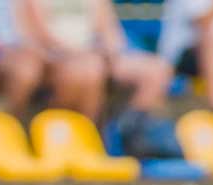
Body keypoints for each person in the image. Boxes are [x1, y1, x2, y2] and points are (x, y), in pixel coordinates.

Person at [16, 0, 172, 121]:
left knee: (157, 70)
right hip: (55, 57)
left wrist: (110, 53)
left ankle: (133, 132)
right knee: (89, 69)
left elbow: (111, 33)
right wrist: (82, 54)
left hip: (94, 55)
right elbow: (41, 35)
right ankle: (86, 134)